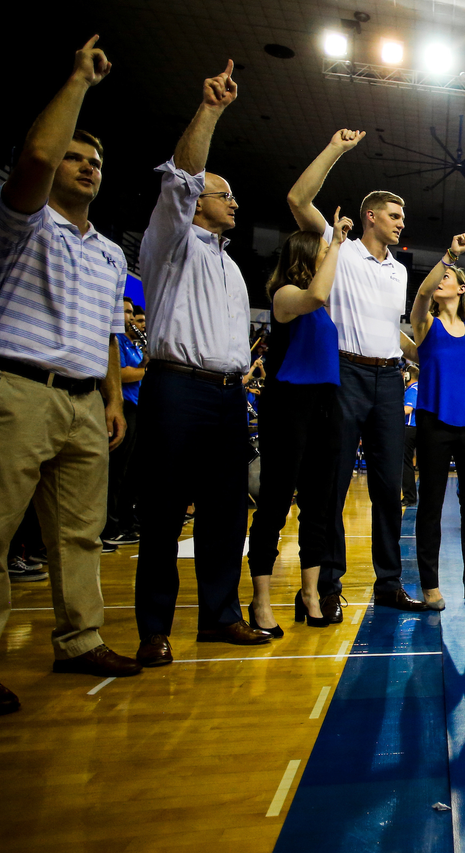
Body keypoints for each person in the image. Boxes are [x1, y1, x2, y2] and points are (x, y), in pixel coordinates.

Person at [0, 37, 141, 708]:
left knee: (80, 532)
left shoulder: (112, 254)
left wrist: (112, 398)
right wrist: (81, 81)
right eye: (75, 158)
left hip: (86, 398)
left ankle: (79, 639)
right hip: (17, 386)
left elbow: (111, 333)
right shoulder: (23, 223)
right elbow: (31, 156)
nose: (87, 168)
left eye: (96, 162)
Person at [133, 60, 269, 666]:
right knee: (163, 515)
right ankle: (154, 628)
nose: (235, 202)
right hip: (175, 388)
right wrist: (210, 111)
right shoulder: (170, 242)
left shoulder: (233, 266)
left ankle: (219, 617)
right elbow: (181, 178)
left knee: (224, 514)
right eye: (225, 194)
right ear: (198, 203)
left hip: (226, 393)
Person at [287, 128, 428, 617]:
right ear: (370, 216)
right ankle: (327, 585)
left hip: (390, 377)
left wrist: (419, 356)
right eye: (394, 215)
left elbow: (391, 330)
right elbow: (297, 198)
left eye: (402, 217)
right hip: (344, 373)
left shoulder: (400, 271)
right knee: (334, 484)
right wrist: (336, 151)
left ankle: (388, 583)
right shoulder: (339, 246)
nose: (400, 224)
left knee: (391, 486)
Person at [244, 210, 350, 634]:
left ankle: (309, 593)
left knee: (319, 507)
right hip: (289, 405)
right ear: (307, 255)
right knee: (273, 504)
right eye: (323, 251)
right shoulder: (286, 295)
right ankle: (260, 599)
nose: (330, 256)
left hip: (326, 404)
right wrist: (337, 243)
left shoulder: (324, 311)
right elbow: (317, 296)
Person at [409, 226, 465, 608]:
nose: (441, 280)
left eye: (448, 277)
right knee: (429, 505)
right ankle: (430, 583)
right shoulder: (424, 323)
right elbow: (422, 294)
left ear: (461, 289)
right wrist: (450, 257)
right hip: (434, 421)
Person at [103, 298, 148, 545]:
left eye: (132, 313)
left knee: (131, 472)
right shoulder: (116, 341)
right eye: (126, 312)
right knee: (116, 472)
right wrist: (145, 369)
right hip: (123, 407)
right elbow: (120, 375)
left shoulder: (132, 344)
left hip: (137, 408)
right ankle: (110, 526)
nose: (130, 317)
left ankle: (124, 521)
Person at [401, 366, 419, 507]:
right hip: (420, 428)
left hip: (410, 429)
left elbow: (408, 409)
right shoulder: (422, 388)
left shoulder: (413, 389)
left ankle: (409, 497)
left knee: (405, 464)